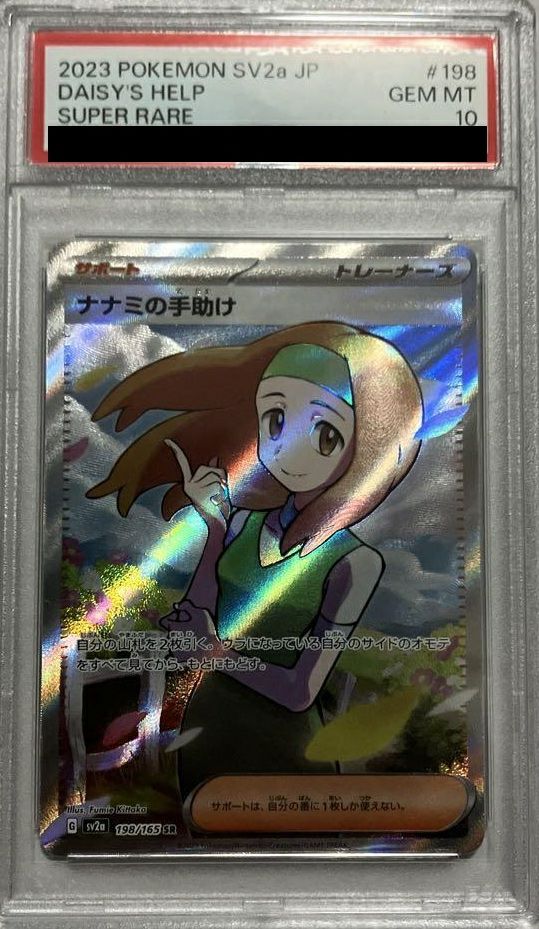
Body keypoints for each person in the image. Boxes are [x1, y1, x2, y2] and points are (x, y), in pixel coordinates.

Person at [88, 322, 423, 798]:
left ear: (367, 447)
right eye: (276, 420)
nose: (289, 446)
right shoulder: (242, 523)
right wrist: (214, 530)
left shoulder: (354, 563)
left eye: (326, 433)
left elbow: (301, 690)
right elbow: (200, 613)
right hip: (206, 733)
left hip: (286, 754)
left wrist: (213, 652)